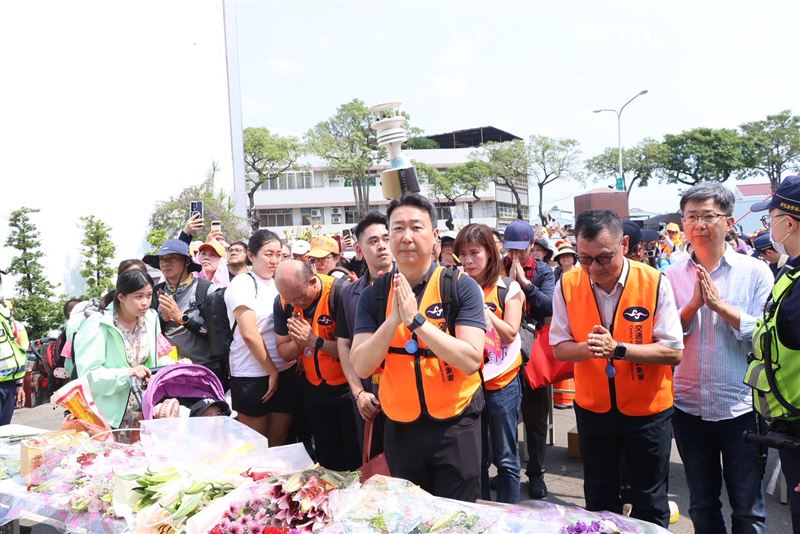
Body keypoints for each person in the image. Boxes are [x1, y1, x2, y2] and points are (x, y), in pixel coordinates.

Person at [350, 193, 486, 502]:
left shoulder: (460, 286)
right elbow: (361, 365)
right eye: (397, 229)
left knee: (458, 517)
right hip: (400, 427)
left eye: (416, 227)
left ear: (435, 236)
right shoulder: (375, 295)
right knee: (411, 517)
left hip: (456, 425)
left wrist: (416, 321)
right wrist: (393, 320)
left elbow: (470, 359)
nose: (406, 237)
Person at [552, 209, 683, 527]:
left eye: (603, 258)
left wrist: (619, 350)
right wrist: (591, 348)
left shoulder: (653, 282)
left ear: (624, 244)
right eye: (584, 258)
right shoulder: (568, 284)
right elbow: (559, 347)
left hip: (648, 411)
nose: (593, 268)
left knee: (650, 501)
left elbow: (673, 351)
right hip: (594, 410)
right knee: (599, 499)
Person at [664, 183, 773, 534]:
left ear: (727, 222)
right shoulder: (671, 274)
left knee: (748, 509)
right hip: (689, 407)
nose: (698, 225)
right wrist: (694, 305)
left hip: (739, 409)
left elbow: (764, 335)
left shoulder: (754, 271)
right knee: (702, 504)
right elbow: (664, 335)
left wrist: (720, 307)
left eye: (708, 216)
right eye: (691, 217)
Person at [455, 223, 525, 504]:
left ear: (490, 253)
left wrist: (484, 313)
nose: (468, 260)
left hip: (502, 385)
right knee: (477, 459)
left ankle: (511, 515)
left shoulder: (508, 288)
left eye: (475, 252)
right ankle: (482, 515)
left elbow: (510, 333)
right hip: (469, 385)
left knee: (506, 458)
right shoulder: (456, 286)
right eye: (462, 254)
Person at [745, 175, 800, 533]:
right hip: (790, 428)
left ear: (790, 222)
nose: (769, 225)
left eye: (772, 217)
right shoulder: (791, 270)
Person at [273, 260, 359, 470]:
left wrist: (315, 342)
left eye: (300, 297)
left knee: (355, 455)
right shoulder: (283, 303)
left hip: (347, 388)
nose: (296, 304)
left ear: (312, 281)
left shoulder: (340, 293)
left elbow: (356, 350)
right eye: (290, 299)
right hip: (314, 388)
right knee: (326, 454)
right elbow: (284, 352)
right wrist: (298, 342)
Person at [75, 270, 173, 429]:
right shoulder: (97, 324)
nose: (145, 303)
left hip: (144, 409)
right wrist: (128, 373)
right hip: (108, 417)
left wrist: (174, 365)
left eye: (149, 295)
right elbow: (89, 376)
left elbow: (153, 359)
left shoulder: (151, 318)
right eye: (138, 296)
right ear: (121, 297)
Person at [502, 219, 555, 499]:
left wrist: (524, 285)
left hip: (534, 351)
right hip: (502, 350)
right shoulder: (496, 267)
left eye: (521, 250)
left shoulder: (544, 272)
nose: (515, 256)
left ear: (532, 246)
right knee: (505, 416)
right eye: (510, 250)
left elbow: (550, 305)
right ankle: (506, 470)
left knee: (535, 418)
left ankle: (536, 473)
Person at [224, 230, 292, 443]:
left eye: (279, 254)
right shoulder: (242, 283)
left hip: (285, 371)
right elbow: (249, 333)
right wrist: (271, 370)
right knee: (255, 444)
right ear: (251, 256)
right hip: (251, 374)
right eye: (268, 254)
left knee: (279, 440)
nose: (274, 260)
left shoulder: (279, 283)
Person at [335, 212, 394, 457]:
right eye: (373, 241)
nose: (381, 245)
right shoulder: (349, 293)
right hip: (368, 398)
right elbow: (344, 345)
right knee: (375, 473)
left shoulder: (412, 285)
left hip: (406, 398)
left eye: (386, 237)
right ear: (359, 250)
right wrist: (358, 392)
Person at [142, 239, 221, 374]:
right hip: (167, 371)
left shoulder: (207, 291)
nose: (166, 263)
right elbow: (145, 334)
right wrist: (163, 320)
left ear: (187, 261)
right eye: (162, 259)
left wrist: (182, 319)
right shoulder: (153, 294)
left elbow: (217, 336)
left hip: (204, 371)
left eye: (172, 258)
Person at [0, 269, 29, 425]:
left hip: (9, 384)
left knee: (3, 435)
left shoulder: (5, 313)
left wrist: (19, 384)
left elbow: (16, 348)